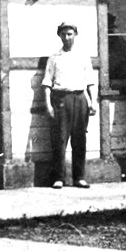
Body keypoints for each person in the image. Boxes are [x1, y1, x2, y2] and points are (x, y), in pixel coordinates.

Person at [41, 21, 97, 188]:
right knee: (59, 139)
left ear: (75, 35)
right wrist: (48, 105)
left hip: (80, 99)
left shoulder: (83, 56)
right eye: (63, 34)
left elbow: (90, 82)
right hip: (61, 99)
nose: (67, 37)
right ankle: (59, 178)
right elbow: (46, 83)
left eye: (70, 34)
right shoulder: (54, 58)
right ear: (59, 36)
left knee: (80, 139)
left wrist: (93, 102)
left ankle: (79, 177)